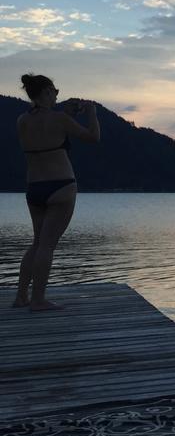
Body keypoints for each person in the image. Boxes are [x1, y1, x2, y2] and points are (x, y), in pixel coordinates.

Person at [14, 74, 100, 312]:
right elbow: (93, 137)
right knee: (47, 246)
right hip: (61, 185)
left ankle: (22, 295)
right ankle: (38, 300)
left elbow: (44, 129)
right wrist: (92, 113)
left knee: (37, 242)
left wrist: (64, 113)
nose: (57, 95)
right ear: (46, 92)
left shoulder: (22, 120)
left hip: (34, 187)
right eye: (55, 91)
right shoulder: (60, 119)